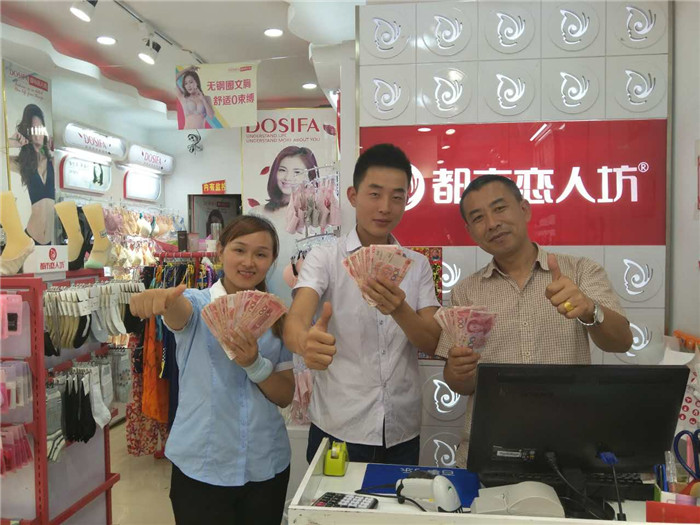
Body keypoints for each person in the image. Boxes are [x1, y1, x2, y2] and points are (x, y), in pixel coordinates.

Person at [438, 174, 633, 467]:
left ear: (524, 209)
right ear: (470, 231)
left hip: (569, 450)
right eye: (478, 218)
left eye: (500, 208)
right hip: (491, 449)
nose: (492, 223)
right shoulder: (465, 292)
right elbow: (461, 385)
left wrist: (589, 309)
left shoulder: (580, 271)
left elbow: (622, 341)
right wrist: (457, 371)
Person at [129, 215, 294, 525]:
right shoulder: (197, 303)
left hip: (266, 465)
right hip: (201, 469)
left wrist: (255, 365)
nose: (249, 262)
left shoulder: (276, 317)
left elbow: (285, 394)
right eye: (239, 250)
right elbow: (178, 311)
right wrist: (163, 300)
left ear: (272, 260)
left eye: (261, 254)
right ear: (220, 251)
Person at [283, 143, 442, 464]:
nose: (385, 207)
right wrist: (305, 342)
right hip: (338, 426)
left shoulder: (418, 265)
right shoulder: (325, 257)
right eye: (375, 194)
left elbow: (434, 341)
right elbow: (296, 321)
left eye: (397, 197)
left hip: (401, 430)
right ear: (353, 196)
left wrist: (399, 310)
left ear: (406, 200)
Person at [249, 146, 319, 301]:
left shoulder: (318, 217)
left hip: (307, 301)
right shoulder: (257, 214)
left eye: (297, 172)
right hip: (264, 300)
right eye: (282, 170)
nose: (288, 177)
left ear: (311, 177)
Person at [8, 104, 55, 245]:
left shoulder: (52, 162)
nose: (37, 134)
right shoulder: (24, 164)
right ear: (27, 132)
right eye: (33, 129)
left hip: (50, 243)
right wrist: (10, 142)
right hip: (30, 240)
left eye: (40, 128)